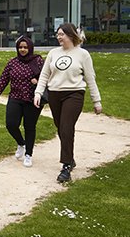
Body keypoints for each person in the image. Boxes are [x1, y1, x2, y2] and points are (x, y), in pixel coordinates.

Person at [34, 22, 102, 183]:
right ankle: (70, 159)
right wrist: (38, 93)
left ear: (70, 35)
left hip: (74, 94)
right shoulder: (53, 53)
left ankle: (65, 167)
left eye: (61, 34)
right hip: (55, 95)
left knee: (66, 127)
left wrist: (96, 101)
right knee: (61, 128)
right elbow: (44, 75)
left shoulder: (83, 54)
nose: (58, 37)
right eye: (57, 34)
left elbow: (90, 79)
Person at [0, 35, 44, 167]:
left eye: (25, 47)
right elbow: (3, 80)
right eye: (20, 47)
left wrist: (37, 82)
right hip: (15, 97)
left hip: (32, 99)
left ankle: (28, 154)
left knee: (29, 127)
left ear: (30, 48)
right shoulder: (12, 62)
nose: (23, 50)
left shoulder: (37, 61)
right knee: (11, 124)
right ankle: (21, 143)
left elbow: (46, 77)